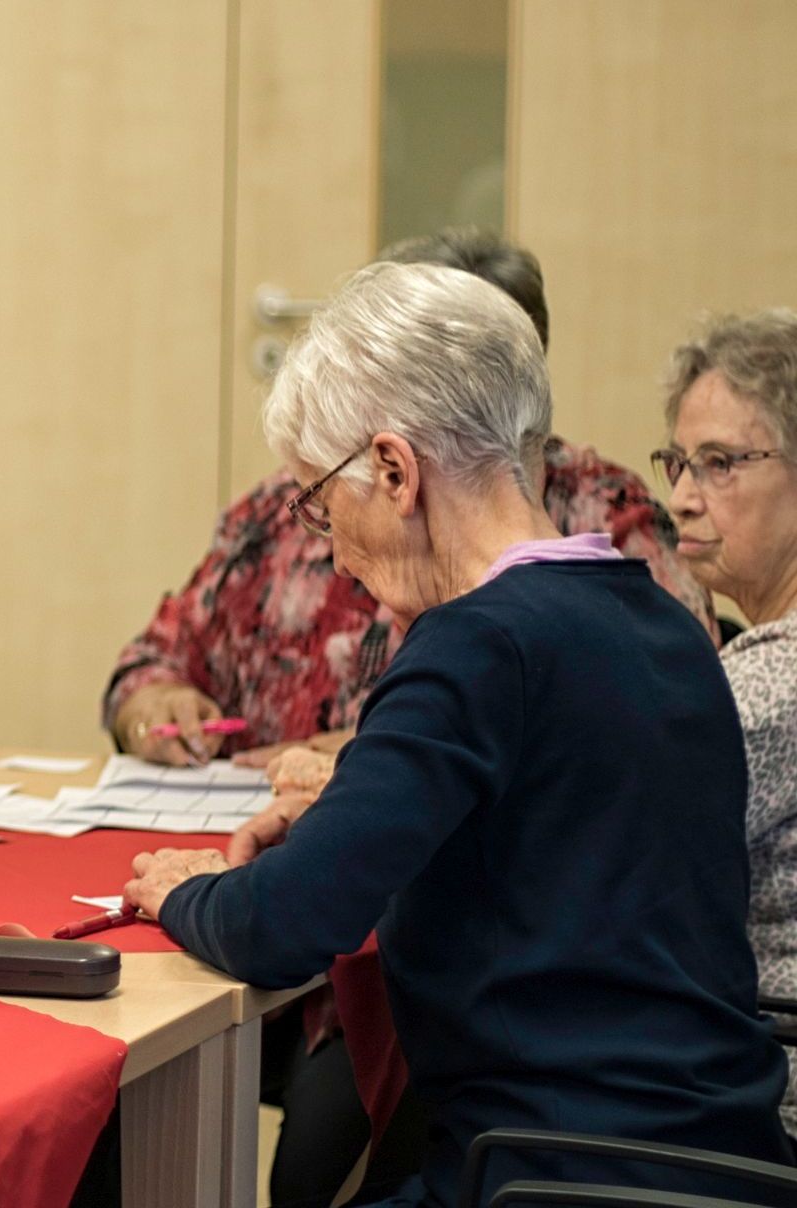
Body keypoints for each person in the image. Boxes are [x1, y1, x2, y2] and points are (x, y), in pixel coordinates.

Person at [123, 262, 792, 1205]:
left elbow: (279, 929)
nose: (329, 544)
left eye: (322, 501)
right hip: (721, 1164)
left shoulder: (474, 647)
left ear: (394, 471)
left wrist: (189, 890)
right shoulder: (663, 627)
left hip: (550, 1177)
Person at [104, 229, 710, 771]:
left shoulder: (602, 525)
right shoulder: (283, 511)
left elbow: (658, 730)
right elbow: (149, 665)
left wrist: (397, 752)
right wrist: (153, 711)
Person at [653, 310, 797, 1136]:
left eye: (720, 465)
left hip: (756, 1108)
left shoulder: (774, 683)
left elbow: (597, 844)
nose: (681, 497)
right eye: (678, 462)